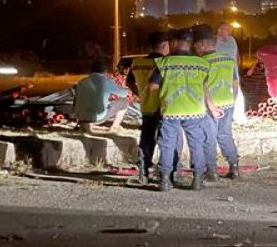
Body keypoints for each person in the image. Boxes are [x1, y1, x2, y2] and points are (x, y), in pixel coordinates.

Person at [148, 29, 220, 192]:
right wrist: (211, 106)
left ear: (175, 42)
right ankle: (197, 180)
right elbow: (203, 87)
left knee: (167, 144)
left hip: (170, 110)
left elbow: (153, 86)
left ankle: (165, 180)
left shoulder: (164, 63)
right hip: (195, 111)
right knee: (196, 144)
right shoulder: (202, 64)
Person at [193, 25, 241, 181]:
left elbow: (203, 86)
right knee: (225, 134)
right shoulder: (228, 59)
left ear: (203, 44)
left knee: (209, 137)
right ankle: (234, 167)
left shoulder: (202, 62)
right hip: (228, 103)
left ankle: (211, 171)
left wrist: (211, 106)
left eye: (196, 46)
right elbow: (235, 82)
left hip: (210, 106)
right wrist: (232, 100)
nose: (196, 50)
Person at [126, 31, 169, 184]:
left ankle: (143, 171)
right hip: (162, 107)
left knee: (146, 139)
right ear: (164, 45)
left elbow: (129, 82)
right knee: (166, 139)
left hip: (145, 106)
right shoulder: (164, 62)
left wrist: (139, 93)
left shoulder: (136, 62)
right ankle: (164, 172)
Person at [72, 59, 131, 132]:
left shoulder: (82, 81)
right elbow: (124, 93)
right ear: (105, 71)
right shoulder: (106, 81)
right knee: (124, 101)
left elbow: (76, 100)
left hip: (80, 117)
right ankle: (114, 127)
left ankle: (82, 123)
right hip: (97, 117)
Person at [215, 22, 247, 124]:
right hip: (219, 72)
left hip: (232, 70)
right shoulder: (213, 40)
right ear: (219, 30)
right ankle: (220, 115)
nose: (229, 32)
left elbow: (236, 55)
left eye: (230, 30)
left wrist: (237, 68)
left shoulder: (232, 40)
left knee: (237, 93)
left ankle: (238, 116)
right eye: (226, 29)